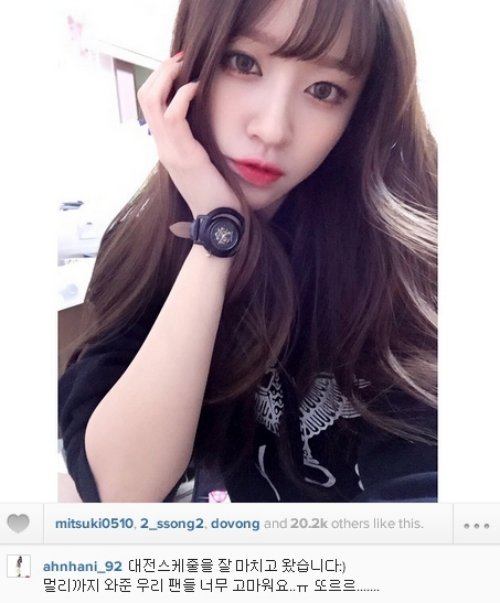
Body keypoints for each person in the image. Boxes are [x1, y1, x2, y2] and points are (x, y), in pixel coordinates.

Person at [59, 0, 437, 503]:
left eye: (325, 90)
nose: (273, 129)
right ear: (187, 66)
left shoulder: (406, 258)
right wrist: (217, 237)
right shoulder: (142, 240)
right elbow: (122, 491)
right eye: (243, 63)